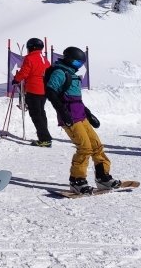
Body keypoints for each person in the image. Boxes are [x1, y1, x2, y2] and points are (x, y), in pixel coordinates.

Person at [46, 46, 121, 194]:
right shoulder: (59, 73)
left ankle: (102, 177)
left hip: (80, 114)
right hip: (70, 117)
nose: (78, 67)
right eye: (76, 63)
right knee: (85, 147)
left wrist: (89, 114)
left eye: (80, 64)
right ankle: (77, 180)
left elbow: (76, 100)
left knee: (96, 145)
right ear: (68, 59)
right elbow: (50, 92)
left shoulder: (72, 74)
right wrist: (63, 113)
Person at [12, 37, 52, 147]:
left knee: (36, 114)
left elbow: (25, 72)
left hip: (33, 89)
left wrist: (16, 79)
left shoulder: (30, 58)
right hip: (43, 89)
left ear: (30, 47)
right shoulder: (44, 59)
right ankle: (44, 136)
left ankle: (45, 139)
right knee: (41, 112)